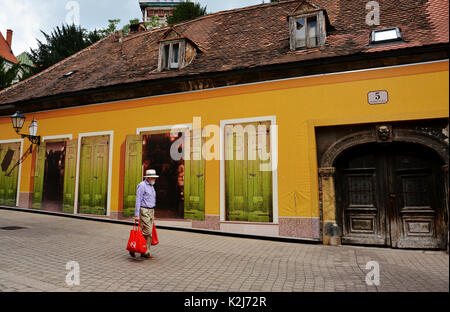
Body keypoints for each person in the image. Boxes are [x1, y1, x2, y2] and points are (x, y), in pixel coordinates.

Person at [130, 169, 159, 259]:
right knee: (147, 231)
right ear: (148, 177)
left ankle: (145, 252)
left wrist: (153, 214)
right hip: (144, 210)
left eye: (155, 178)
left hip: (150, 211)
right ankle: (134, 248)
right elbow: (138, 200)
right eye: (153, 178)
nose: (154, 179)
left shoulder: (151, 186)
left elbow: (151, 200)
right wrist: (137, 215)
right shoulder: (142, 186)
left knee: (149, 233)